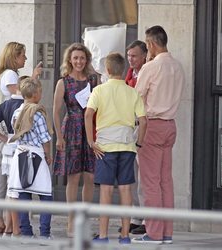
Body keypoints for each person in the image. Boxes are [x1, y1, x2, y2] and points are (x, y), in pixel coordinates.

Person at [84, 52, 147, 244]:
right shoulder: (133, 92)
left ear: (108, 70)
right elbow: (143, 121)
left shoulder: (99, 91)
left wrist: (90, 141)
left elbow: (88, 115)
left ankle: (103, 235)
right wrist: (139, 143)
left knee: (106, 191)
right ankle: (125, 235)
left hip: (105, 146)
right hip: (127, 146)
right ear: (123, 69)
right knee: (127, 190)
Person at [131, 25, 185, 244]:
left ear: (152, 44)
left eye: (147, 44)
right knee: (165, 181)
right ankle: (166, 232)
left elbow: (136, 97)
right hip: (170, 125)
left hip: (152, 125)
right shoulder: (178, 67)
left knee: (150, 182)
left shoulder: (151, 67)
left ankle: (153, 233)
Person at [0, 42, 42, 235]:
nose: (25, 59)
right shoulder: (11, 75)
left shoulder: (3, 74)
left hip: (1, 128)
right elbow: (20, 95)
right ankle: (3, 221)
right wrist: (34, 77)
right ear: (14, 56)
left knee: (1, 175)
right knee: (8, 178)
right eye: (23, 55)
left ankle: (1, 220)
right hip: (8, 131)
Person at [53, 43, 97, 237]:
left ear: (86, 60)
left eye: (82, 58)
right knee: (73, 177)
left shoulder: (93, 81)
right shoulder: (63, 82)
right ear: (69, 60)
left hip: (89, 131)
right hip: (71, 128)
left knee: (90, 176)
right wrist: (59, 137)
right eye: (75, 58)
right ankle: (71, 222)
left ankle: (84, 221)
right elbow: (55, 110)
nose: (79, 61)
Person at [8, 77, 53, 239]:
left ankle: (26, 231)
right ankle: (45, 233)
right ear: (34, 94)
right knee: (46, 195)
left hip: (20, 155)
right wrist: (48, 155)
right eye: (40, 91)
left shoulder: (16, 112)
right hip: (36, 155)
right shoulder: (37, 114)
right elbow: (45, 139)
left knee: (23, 194)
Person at [0, 76, 27, 237]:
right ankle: (12, 226)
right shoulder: (26, 106)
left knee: (11, 189)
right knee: (17, 189)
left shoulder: (5, 104)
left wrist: (4, 138)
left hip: (8, 149)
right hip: (21, 147)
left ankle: (9, 226)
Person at [118, 40, 147, 235]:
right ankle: (136, 217)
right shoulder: (130, 74)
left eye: (134, 56)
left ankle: (146, 218)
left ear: (144, 55)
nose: (131, 59)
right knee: (132, 176)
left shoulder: (147, 72)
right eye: (129, 56)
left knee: (144, 176)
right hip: (129, 127)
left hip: (141, 126)